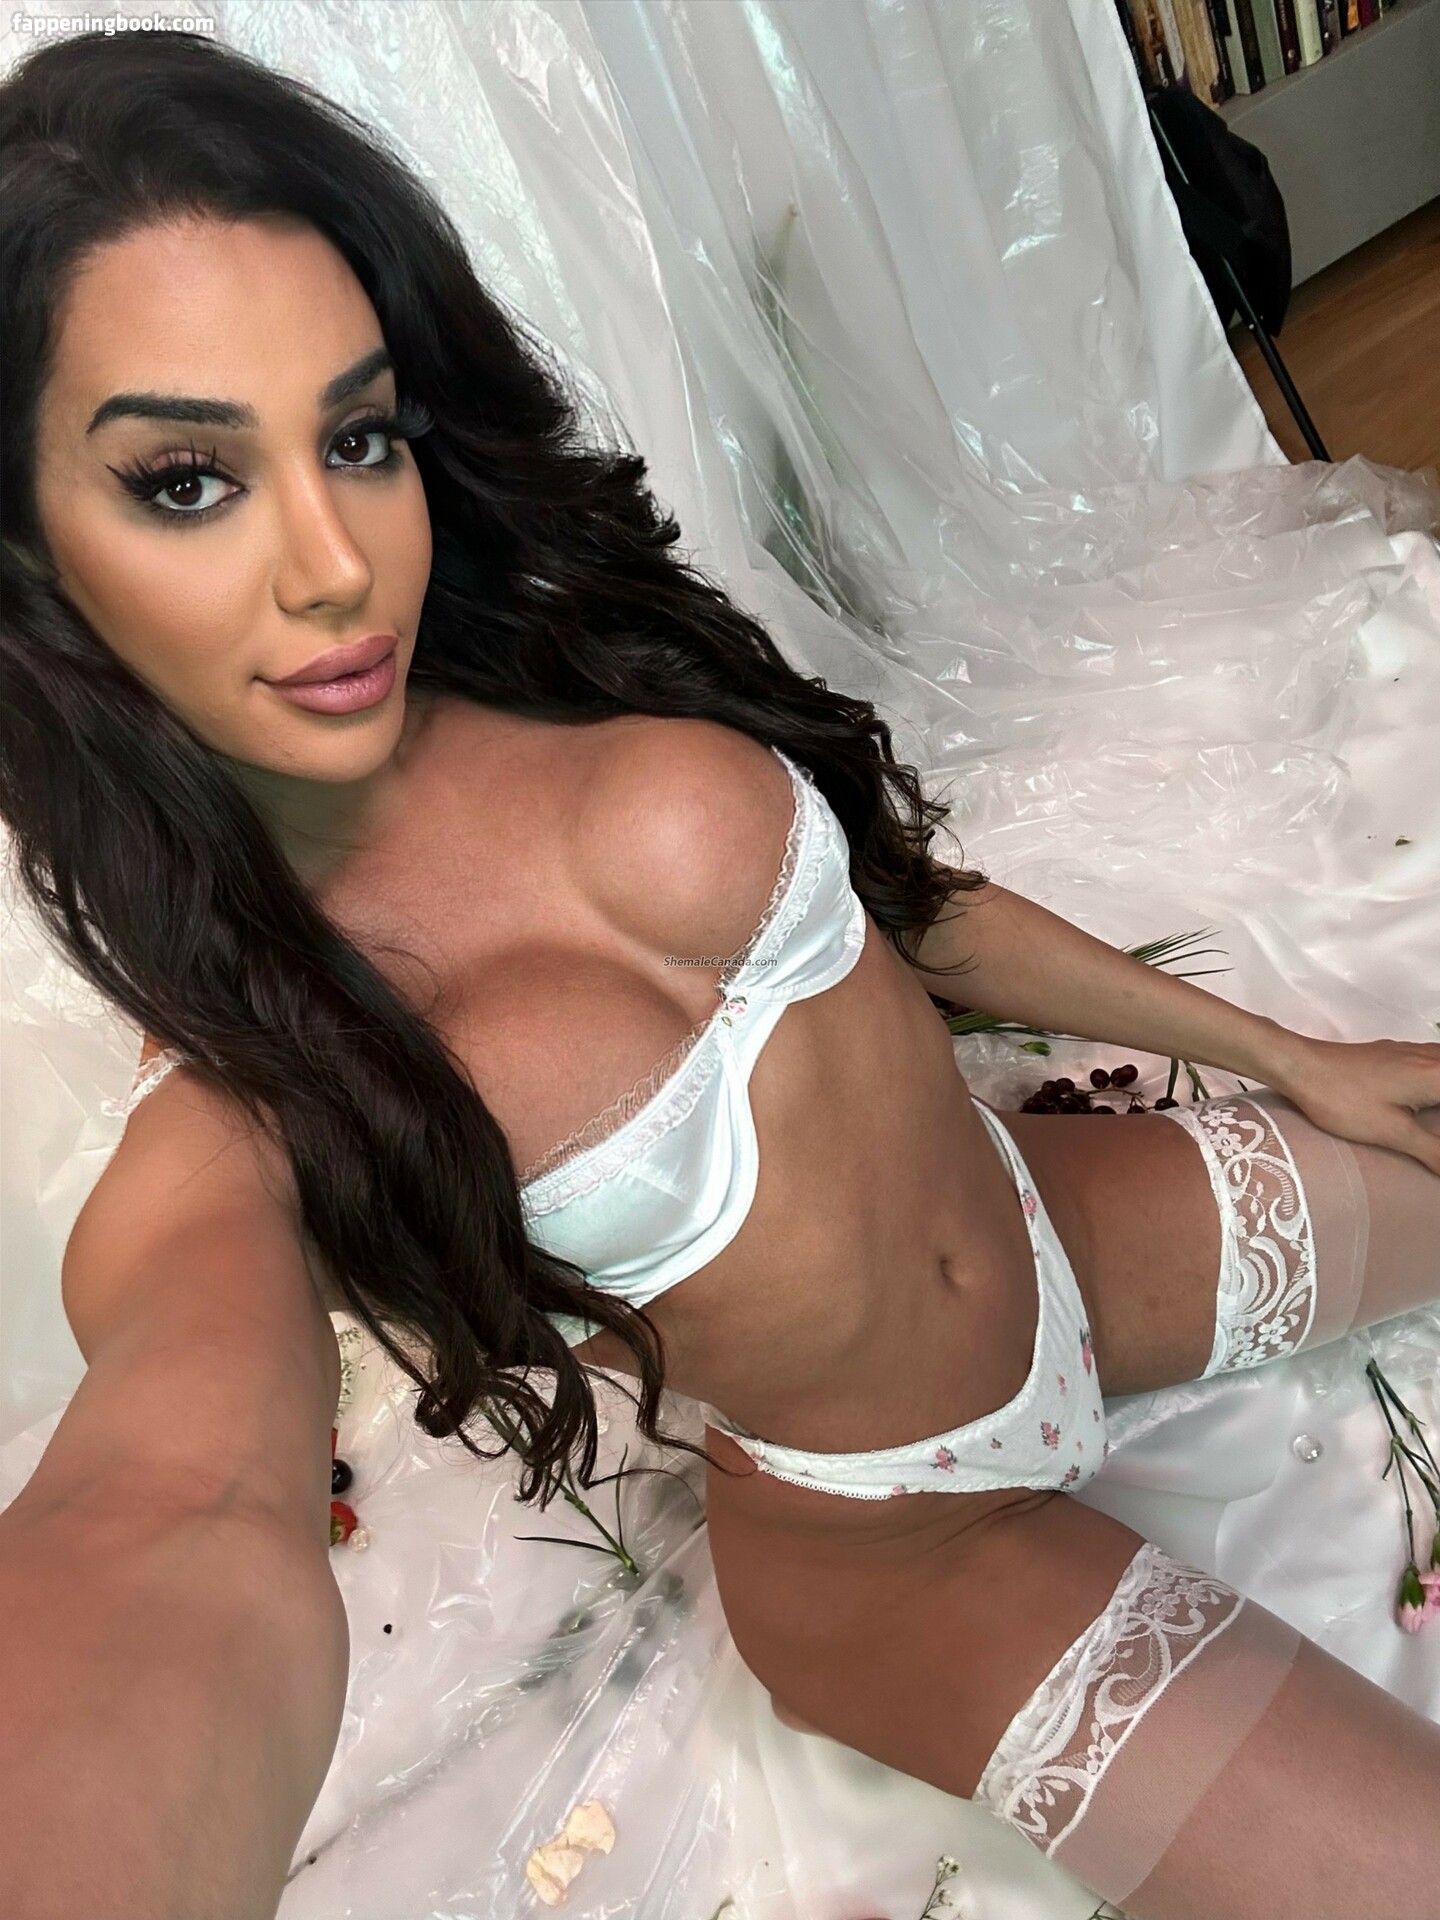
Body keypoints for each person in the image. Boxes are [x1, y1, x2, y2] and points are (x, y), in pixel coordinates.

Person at [2, 27, 1438, 1920]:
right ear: (30, 548)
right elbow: (172, 1520)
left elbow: (897, 902)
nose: (336, 566)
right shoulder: (250, 1111)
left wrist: (1286, 1055)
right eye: (187, 480)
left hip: (1058, 1234)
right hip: (905, 1553)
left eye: (357, 439)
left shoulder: (549, 653)